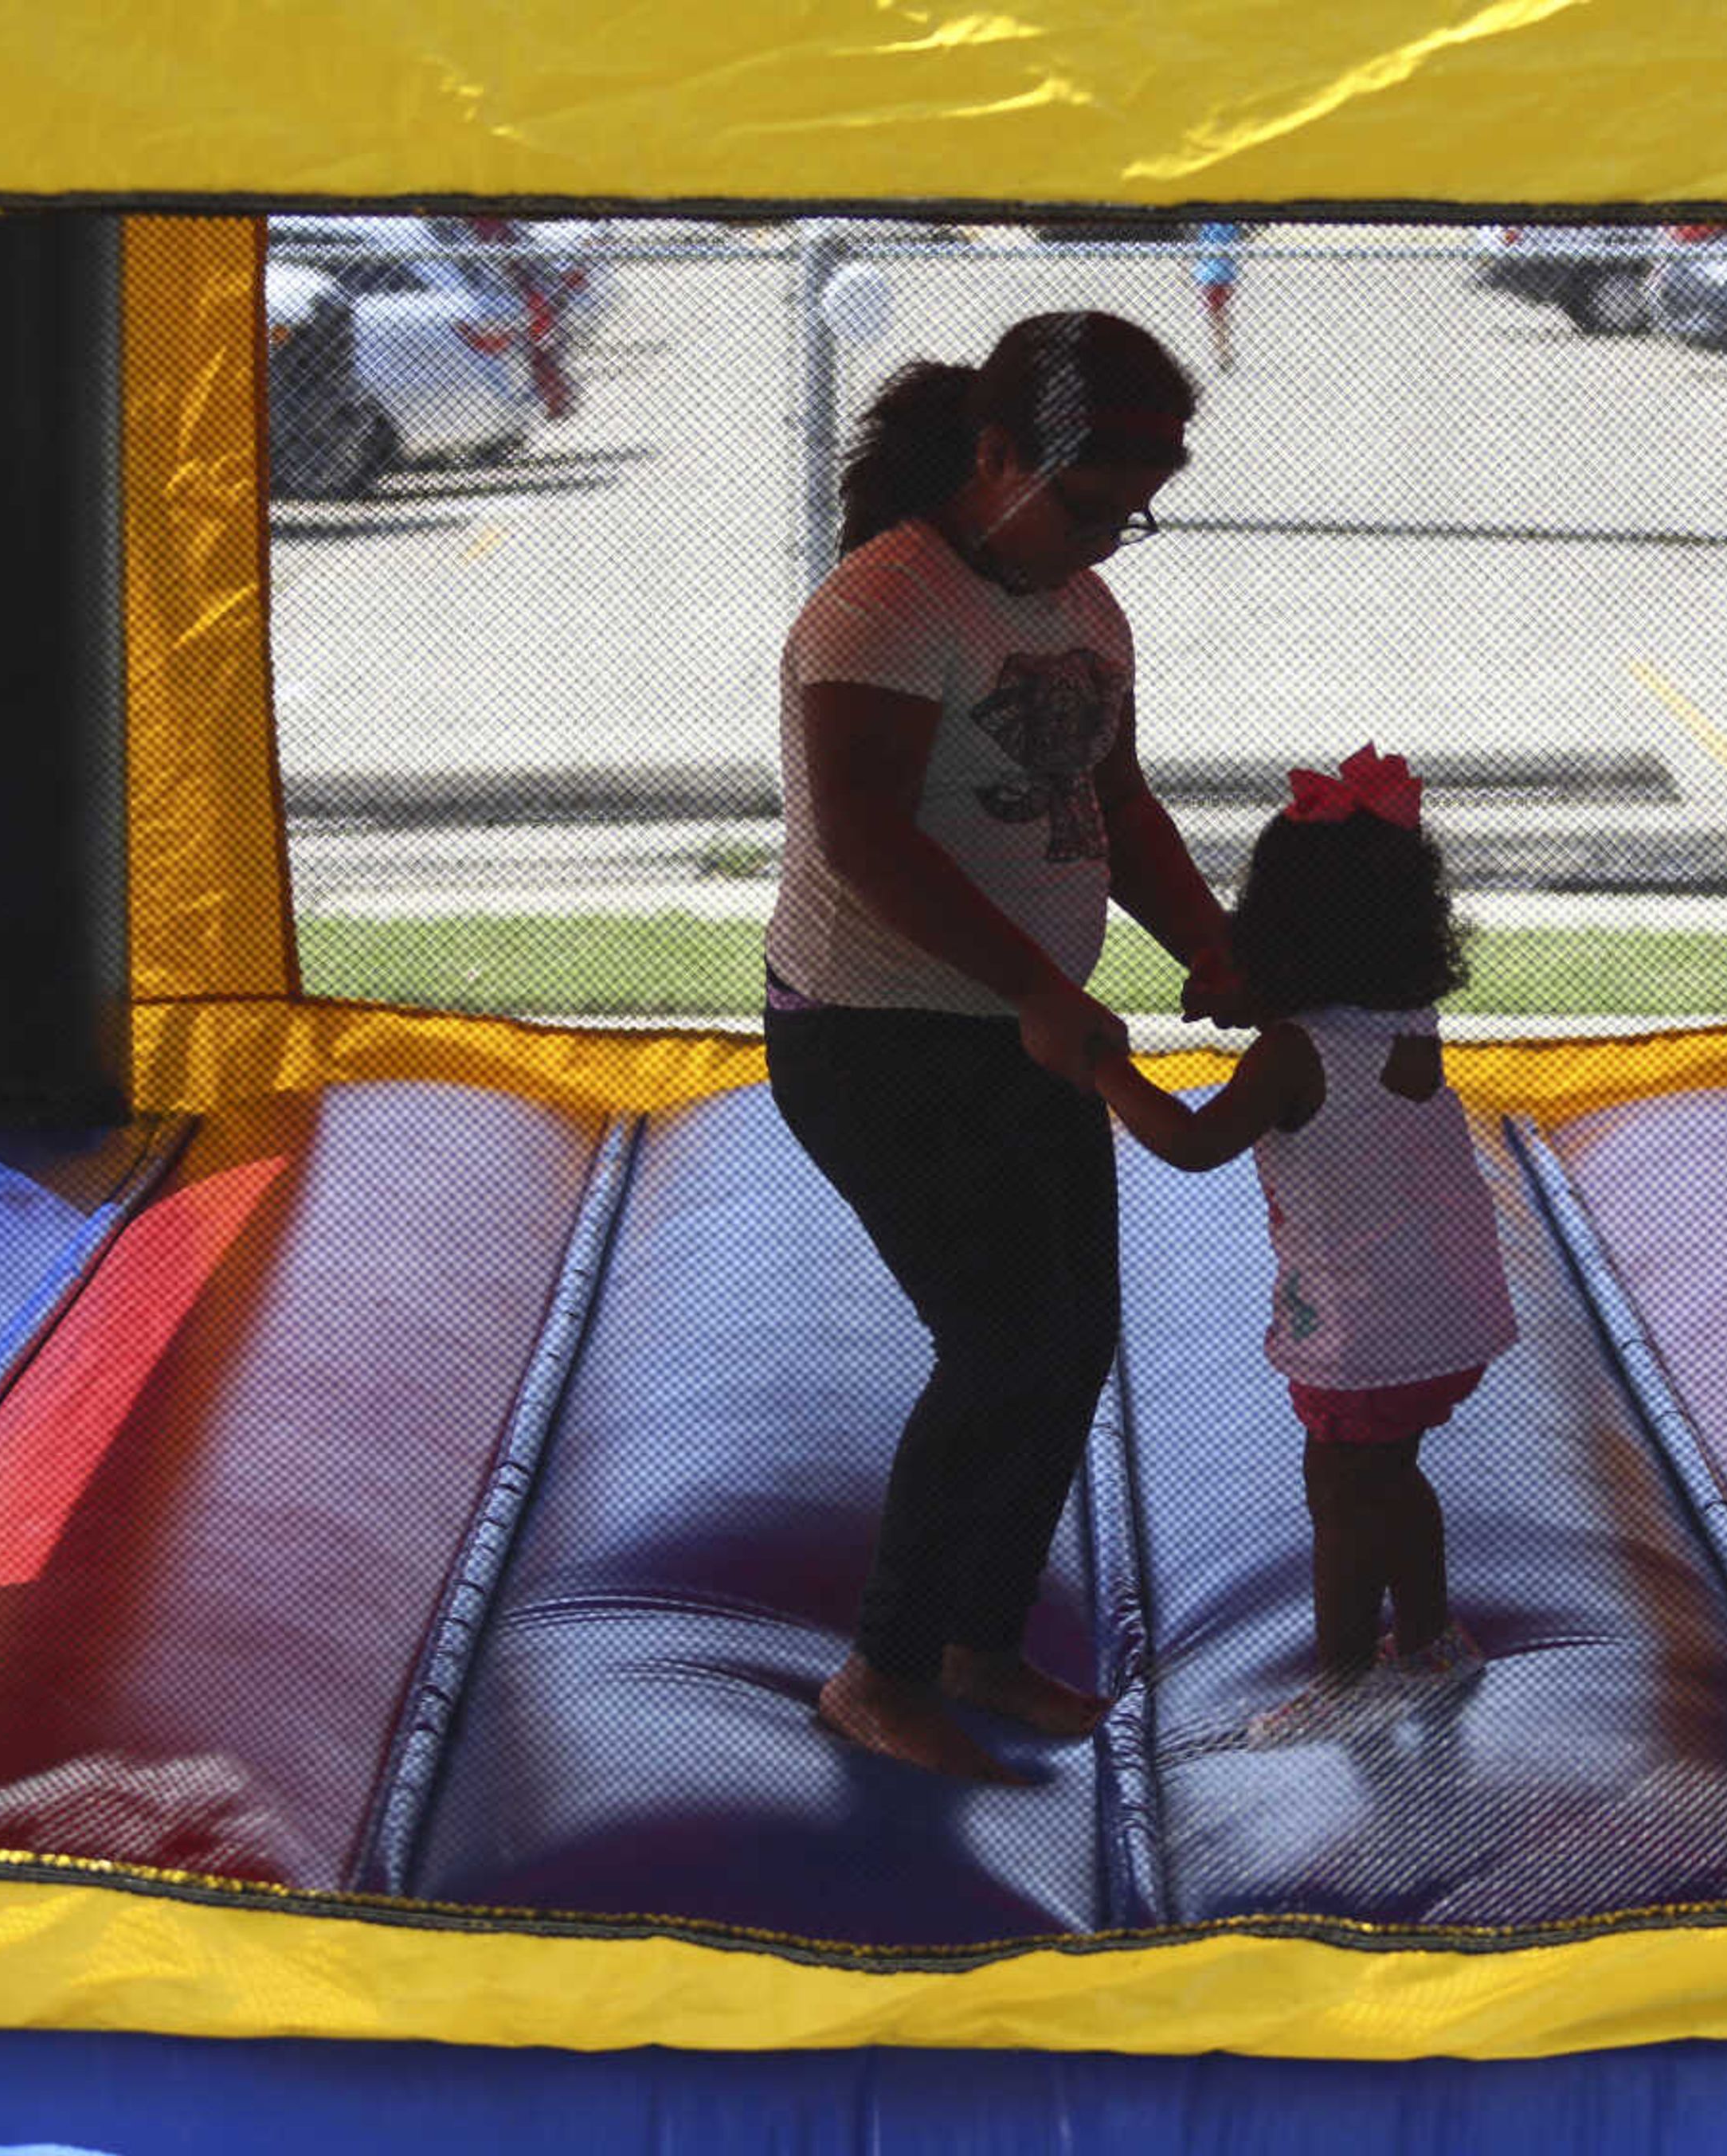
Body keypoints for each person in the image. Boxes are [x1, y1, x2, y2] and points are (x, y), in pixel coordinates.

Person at [766, 311, 1248, 1782]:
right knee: (999, 1343)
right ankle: (882, 1670)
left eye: (1132, 513)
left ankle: (979, 1639)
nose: (1109, 539)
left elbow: (1121, 806)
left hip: (1026, 1029)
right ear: (991, 456)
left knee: (1073, 1338)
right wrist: (1041, 986)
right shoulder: (886, 608)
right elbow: (863, 842)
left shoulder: (1078, 607)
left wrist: (1210, 941)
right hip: (878, 1037)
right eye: (1090, 504)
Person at [1089, 745, 1519, 1746]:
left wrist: (1104, 1071)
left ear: (1280, 931)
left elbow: (1195, 1145)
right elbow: (1319, 1018)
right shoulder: (1404, 1018)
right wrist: (1243, 998)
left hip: (1365, 1321)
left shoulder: (1293, 1055)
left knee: (1339, 1491)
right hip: (1440, 1305)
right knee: (1393, 1474)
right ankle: (1426, 1639)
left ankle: (1344, 1680)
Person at [1190, 221, 1242, 374]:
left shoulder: (1211, 225)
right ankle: (1223, 350)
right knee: (1220, 316)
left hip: (1211, 275)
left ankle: (1222, 353)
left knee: (1217, 317)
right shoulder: (1230, 225)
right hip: (1224, 274)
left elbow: (1201, 246)